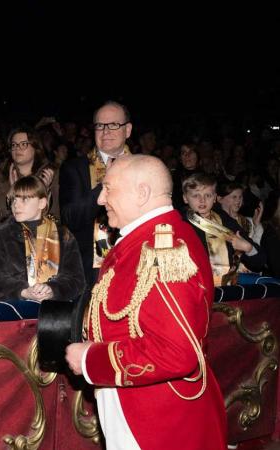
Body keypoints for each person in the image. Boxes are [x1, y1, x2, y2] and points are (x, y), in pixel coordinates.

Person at [65, 155, 227, 449]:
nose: (101, 199)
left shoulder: (163, 249)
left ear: (141, 193)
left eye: (108, 189)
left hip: (158, 420)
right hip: (141, 406)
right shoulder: (143, 239)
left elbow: (176, 352)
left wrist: (91, 360)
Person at [59, 101, 133, 286]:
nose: (106, 131)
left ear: (128, 130)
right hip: (90, 270)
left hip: (135, 262)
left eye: (114, 125)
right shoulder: (75, 168)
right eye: (100, 125)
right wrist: (105, 183)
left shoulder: (144, 167)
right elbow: (70, 217)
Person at [0, 175, 84, 302]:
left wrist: (52, 290)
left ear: (42, 203)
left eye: (24, 200)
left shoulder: (63, 235)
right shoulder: (2, 235)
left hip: (55, 314)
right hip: (16, 311)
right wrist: (23, 291)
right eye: (14, 199)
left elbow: (76, 280)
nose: (16, 205)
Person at [181, 173, 265, 285]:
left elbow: (259, 262)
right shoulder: (179, 222)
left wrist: (248, 248)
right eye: (196, 195)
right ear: (185, 198)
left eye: (208, 195)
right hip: (194, 286)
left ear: (215, 197)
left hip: (227, 287)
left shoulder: (225, 221)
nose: (202, 200)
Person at [0, 127, 53, 227]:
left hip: (41, 239)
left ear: (36, 148)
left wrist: (44, 192)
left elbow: (56, 217)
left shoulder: (49, 176)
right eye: (14, 145)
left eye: (23, 144)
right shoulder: (1, 178)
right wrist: (10, 193)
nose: (17, 148)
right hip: (9, 240)